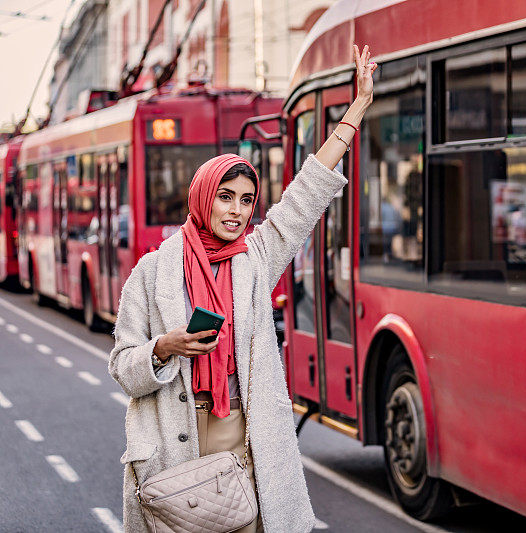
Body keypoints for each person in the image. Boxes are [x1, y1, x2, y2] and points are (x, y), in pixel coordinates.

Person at [109, 45, 377, 533]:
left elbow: (307, 193)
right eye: (225, 198)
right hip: (174, 436)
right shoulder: (151, 271)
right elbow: (123, 369)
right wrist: (164, 348)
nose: (235, 211)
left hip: (240, 429)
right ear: (203, 198)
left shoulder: (255, 259)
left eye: (246, 200)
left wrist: (356, 109)